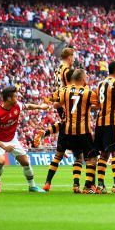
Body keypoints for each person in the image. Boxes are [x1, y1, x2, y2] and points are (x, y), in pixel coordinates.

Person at [0, 85, 49, 193]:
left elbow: (28, 106)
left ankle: (32, 186)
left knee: (25, 162)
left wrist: (40, 107)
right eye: (15, 96)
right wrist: (4, 147)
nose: (17, 98)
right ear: (9, 98)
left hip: (12, 139)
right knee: (1, 161)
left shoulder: (17, 106)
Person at [52, 69, 101, 193]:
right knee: (92, 158)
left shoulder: (65, 91)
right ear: (82, 78)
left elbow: (55, 104)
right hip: (84, 131)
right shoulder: (89, 92)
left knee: (77, 158)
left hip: (68, 132)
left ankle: (75, 185)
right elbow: (98, 105)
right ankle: (88, 186)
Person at [35, 47, 75, 192]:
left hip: (59, 100)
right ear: (69, 57)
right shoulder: (66, 71)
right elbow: (69, 87)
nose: (74, 59)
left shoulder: (58, 69)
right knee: (71, 122)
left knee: (66, 124)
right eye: (73, 56)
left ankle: (60, 144)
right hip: (64, 101)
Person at [94, 61, 115, 195]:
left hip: (100, 123)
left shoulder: (100, 84)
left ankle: (101, 185)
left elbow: (98, 103)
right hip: (113, 122)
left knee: (103, 154)